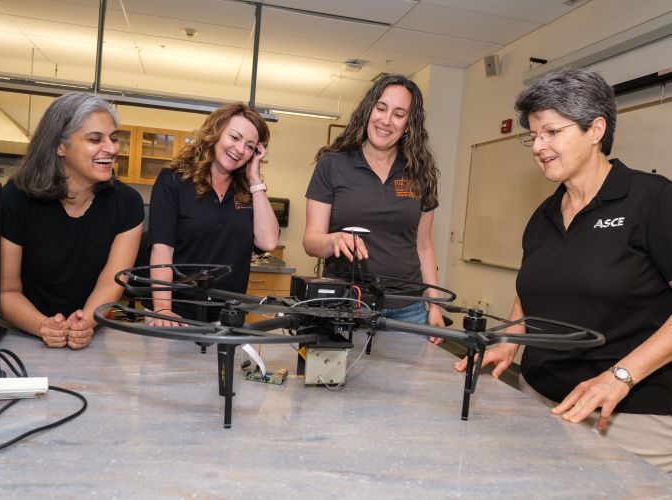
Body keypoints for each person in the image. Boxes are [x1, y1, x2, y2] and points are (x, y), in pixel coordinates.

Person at [455, 68, 671, 472]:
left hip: (629, 412)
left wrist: (619, 377)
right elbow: (533, 287)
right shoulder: (544, 215)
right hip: (539, 395)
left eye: (551, 132)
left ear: (596, 129)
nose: (538, 146)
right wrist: (510, 340)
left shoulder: (654, 201)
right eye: (533, 136)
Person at [303, 74, 445, 338]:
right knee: (339, 379)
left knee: (407, 381)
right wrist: (334, 240)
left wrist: (434, 305)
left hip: (408, 308)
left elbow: (423, 246)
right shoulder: (332, 164)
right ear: (369, 109)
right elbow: (311, 241)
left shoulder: (421, 172)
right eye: (381, 108)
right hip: (346, 304)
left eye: (399, 114)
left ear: (409, 124)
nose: (386, 120)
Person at [0, 92, 144, 349]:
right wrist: (43, 326)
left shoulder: (128, 204)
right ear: (60, 145)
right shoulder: (15, 198)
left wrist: (85, 323)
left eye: (113, 138)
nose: (111, 149)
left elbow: (110, 283)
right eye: (95, 139)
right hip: (23, 336)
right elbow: (7, 290)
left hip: (92, 336)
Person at [147, 103, 279, 325]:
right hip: (176, 312)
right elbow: (162, 248)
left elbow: (268, 242)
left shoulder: (248, 191)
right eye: (234, 137)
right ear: (215, 133)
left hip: (228, 316)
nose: (239, 149)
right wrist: (162, 309)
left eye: (249, 146)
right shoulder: (173, 180)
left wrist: (255, 179)